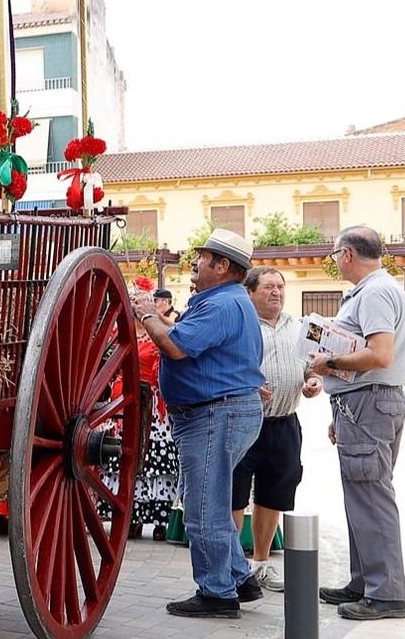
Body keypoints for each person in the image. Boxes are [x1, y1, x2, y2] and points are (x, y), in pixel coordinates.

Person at [133, 229, 264, 619]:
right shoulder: (228, 300)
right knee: (212, 502)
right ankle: (238, 577)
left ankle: (217, 593)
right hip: (220, 412)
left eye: (202, 257)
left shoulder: (221, 304)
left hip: (213, 414)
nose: (195, 262)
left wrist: (147, 313)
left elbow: (175, 346)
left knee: (203, 507)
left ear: (222, 266)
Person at [309, 227, 405, 620]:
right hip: (364, 403)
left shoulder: (374, 293)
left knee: (371, 496)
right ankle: (366, 582)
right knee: (362, 496)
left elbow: (379, 354)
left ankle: (385, 594)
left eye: (335, 254)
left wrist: (329, 362)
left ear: (348, 254)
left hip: (369, 401)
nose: (335, 261)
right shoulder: (377, 290)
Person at [232, 267, 322, 591]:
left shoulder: (300, 327)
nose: (276, 292)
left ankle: (260, 564)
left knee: (274, 495)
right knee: (234, 496)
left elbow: (314, 366)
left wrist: (314, 381)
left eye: (280, 287)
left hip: (284, 423)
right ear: (250, 292)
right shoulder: (240, 326)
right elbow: (225, 368)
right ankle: (232, 567)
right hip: (244, 422)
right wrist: (246, 386)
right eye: (269, 287)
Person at [98, 288, 180, 541]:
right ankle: (129, 516)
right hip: (123, 402)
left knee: (156, 461)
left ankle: (159, 520)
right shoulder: (117, 335)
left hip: (152, 404)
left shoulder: (156, 334)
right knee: (124, 458)